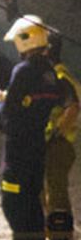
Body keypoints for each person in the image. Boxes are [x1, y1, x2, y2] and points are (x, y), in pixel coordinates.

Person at [0, 16, 65, 240]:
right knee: (31, 206)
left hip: (17, 153)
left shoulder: (24, 70)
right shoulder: (51, 73)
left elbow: (9, 113)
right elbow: (37, 103)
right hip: (37, 151)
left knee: (14, 205)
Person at [43, 33, 79, 214]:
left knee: (56, 199)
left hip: (58, 146)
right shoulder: (57, 75)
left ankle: (61, 239)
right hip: (57, 144)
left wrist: (54, 135)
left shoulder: (59, 77)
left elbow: (72, 108)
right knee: (49, 195)